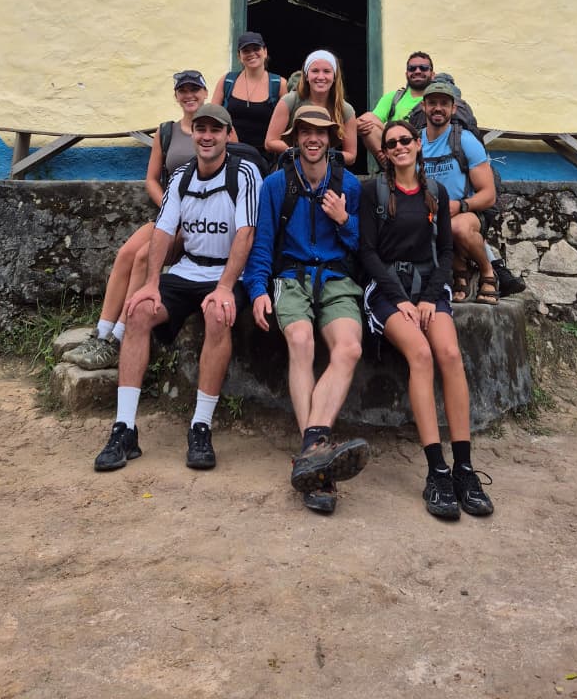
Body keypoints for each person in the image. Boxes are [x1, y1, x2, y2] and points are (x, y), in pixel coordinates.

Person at [93, 104, 261, 472]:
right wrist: (151, 283)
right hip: (188, 270)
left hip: (228, 273)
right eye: (200, 129)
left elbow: (246, 232)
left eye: (214, 130)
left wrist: (225, 287)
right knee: (137, 312)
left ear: (228, 135)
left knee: (218, 314)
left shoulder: (244, 172)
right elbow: (164, 230)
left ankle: (200, 426)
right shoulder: (182, 176)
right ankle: (124, 429)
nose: (206, 136)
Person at [360, 118, 494, 520]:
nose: (400, 146)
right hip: (386, 290)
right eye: (392, 143)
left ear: (417, 146)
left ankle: (464, 468)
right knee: (420, 354)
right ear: (384, 152)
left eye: (406, 140)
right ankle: (436, 469)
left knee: (450, 355)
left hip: (428, 289)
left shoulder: (435, 191)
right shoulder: (373, 192)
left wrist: (431, 297)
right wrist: (401, 299)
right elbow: (367, 253)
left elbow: (444, 249)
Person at [244, 104, 368, 513]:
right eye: (305, 132)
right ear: (295, 137)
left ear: (332, 139)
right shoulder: (276, 184)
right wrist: (257, 289)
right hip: (291, 278)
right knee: (300, 340)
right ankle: (320, 460)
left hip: (335, 278)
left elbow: (359, 246)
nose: (313, 140)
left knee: (349, 348)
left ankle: (310, 453)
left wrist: (344, 218)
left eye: (321, 133)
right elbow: (263, 242)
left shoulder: (348, 184)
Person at [66, 69, 213, 370]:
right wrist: (170, 208)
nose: (189, 95)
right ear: (176, 96)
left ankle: (118, 339)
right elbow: (151, 179)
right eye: (183, 91)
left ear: (205, 93)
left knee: (146, 258)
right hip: (168, 215)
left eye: (194, 90)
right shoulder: (167, 131)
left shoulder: (216, 130)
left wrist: (189, 215)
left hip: (198, 221)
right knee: (126, 254)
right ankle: (101, 332)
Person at [419, 80, 499, 304]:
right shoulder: (415, 142)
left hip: (466, 211)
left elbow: (489, 194)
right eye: (432, 102)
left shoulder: (465, 140)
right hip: (431, 213)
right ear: (423, 107)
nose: (438, 108)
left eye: (444, 103)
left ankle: (487, 271)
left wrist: (461, 206)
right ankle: (460, 272)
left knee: (456, 227)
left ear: (453, 109)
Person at [265, 49, 357, 166]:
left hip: (328, 167)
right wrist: (300, 152)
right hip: (292, 164)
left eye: (327, 71)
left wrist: (322, 155)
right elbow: (270, 142)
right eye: (315, 71)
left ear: (334, 77)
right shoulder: (290, 100)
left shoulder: (345, 109)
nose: (321, 76)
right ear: (306, 76)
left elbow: (351, 155)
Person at [211, 31, 287, 161]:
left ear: (265, 52)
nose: (251, 53)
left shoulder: (279, 84)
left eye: (256, 49)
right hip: (229, 157)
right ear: (239, 56)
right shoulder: (227, 81)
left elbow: (288, 125)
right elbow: (212, 117)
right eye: (246, 50)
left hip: (265, 160)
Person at [356, 51, 435, 163]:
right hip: (396, 150)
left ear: (432, 74)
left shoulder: (437, 100)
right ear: (406, 74)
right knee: (368, 119)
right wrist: (358, 125)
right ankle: (390, 165)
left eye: (423, 68)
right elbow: (365, 121)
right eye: (412, 68)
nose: (417, 71)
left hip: (424, 153)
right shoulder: (393, 97)